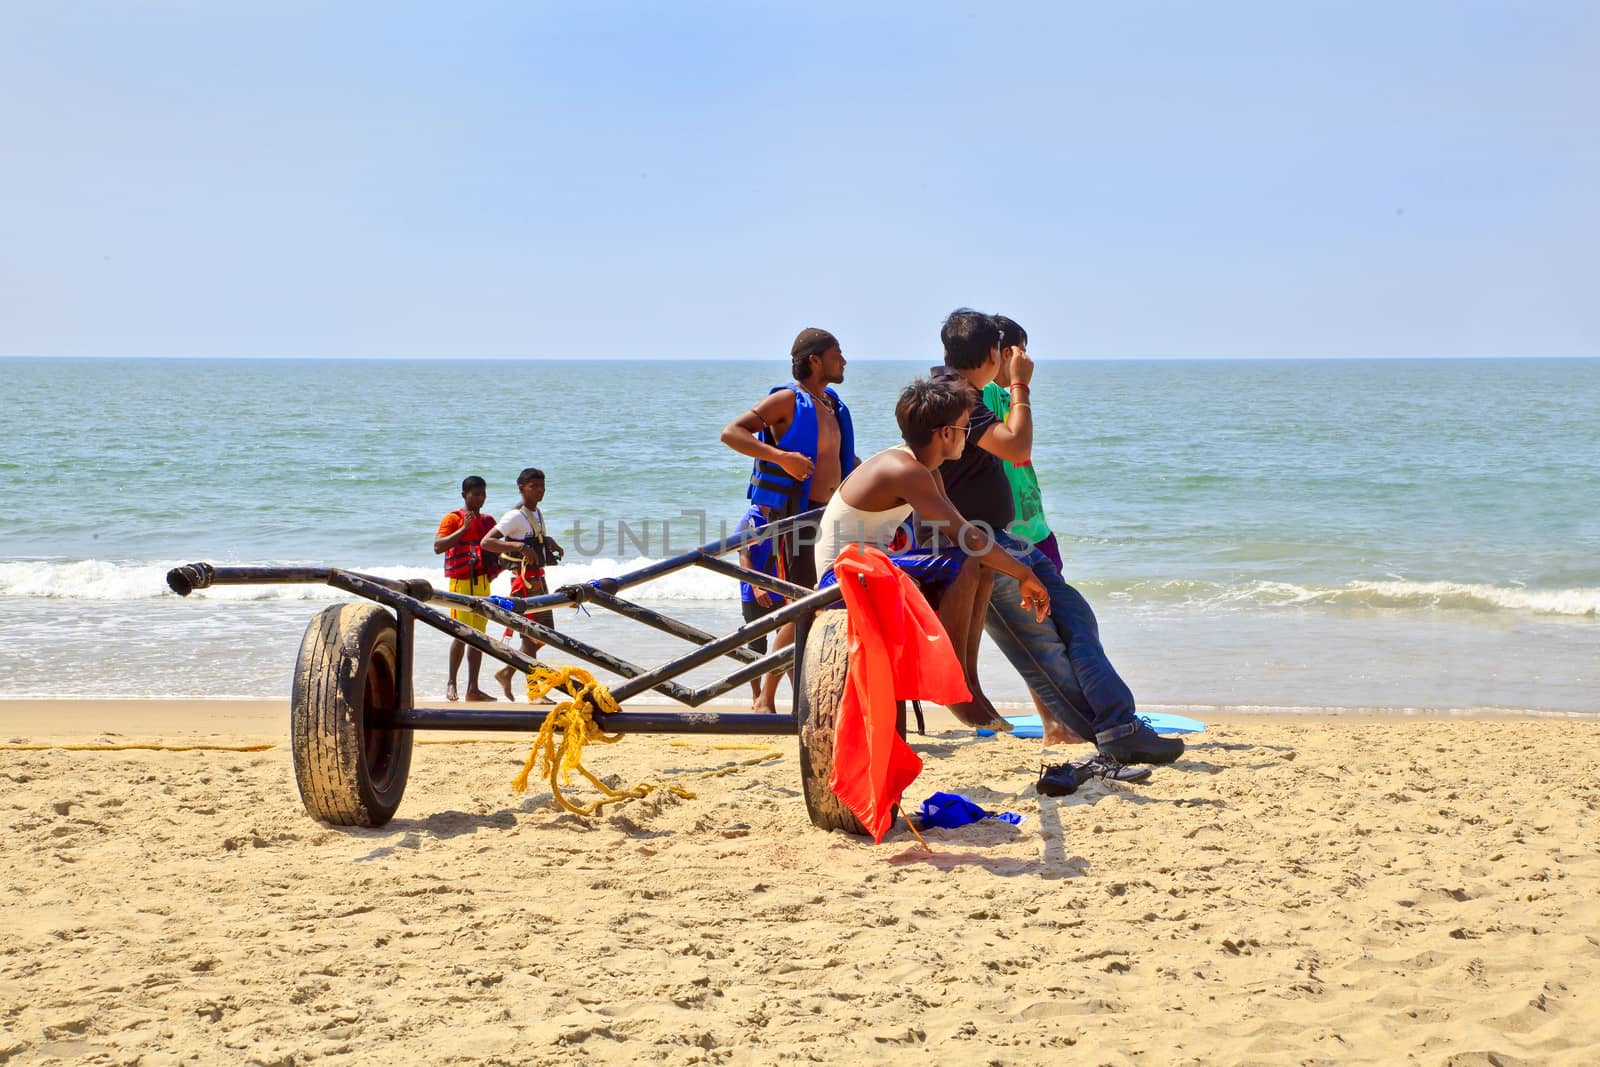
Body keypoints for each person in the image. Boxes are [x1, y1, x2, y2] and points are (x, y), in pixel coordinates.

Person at [932, 309, 1183, 764]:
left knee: (1074, 617)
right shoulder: (955, 397)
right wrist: (1020, 385)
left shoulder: (957, 391)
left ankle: (1118, 722)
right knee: (1045, 645)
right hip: (979, 544)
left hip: (1001, 539)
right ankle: (1114, 729)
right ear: (995, 353)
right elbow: (1016, 447)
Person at [812, 377, 1051, 729]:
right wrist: (1025, 573)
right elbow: (967, 537)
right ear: (944, 433)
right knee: (970, 558)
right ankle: (952, 686)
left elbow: (957, 529)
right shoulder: (905, 469)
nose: (969, 435)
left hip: (871, 566)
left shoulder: (924, 468)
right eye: (965, 427)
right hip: (843, 577)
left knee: (980, 565)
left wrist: (1014, 570)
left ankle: (968, 684)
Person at [720, 327, 860, 690]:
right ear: (815, 360)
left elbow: (845, 461)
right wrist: (781, 458)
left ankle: (809, 693)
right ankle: (766, 696)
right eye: (836, 354)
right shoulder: (787, 400)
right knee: (803, 604)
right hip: (797, 518)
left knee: (824, 603)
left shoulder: (831, 406)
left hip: (830, 516)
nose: (844, 360)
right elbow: (732, 432)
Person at [985, 314, 1077, 743]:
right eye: (1022, 350)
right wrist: (1019, 381)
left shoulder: (1005, 395)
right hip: (1012, 534)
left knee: (1055, 627)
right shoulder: (983, 394)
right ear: (1004, 352)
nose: (1028, 359)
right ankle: (1055, 726)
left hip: (1037, 526)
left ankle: (1062, 720)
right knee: (1035, 631)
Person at [481, 467, 565, 702]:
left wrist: (549, 542)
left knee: (544, 634)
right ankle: (534, 692)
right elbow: (487, 542)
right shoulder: (514, 516)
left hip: (538, 579)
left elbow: (533, 537)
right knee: (532, 636)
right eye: (534, 487)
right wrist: (518, 548)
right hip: (524, 581)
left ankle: (507, 672)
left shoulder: (536, 513)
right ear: (522, 488)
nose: (540, 491)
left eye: (543, 487)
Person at [433, 475, 501, 702]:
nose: (480, 498)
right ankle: (451, 683)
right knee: (460, 633)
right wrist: (464, 529)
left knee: (479, 637)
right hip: (460, 583)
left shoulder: (488, 521)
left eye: (483, 494)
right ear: (464, 495)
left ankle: (473, 688)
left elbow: (498, 546)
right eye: (475, 494)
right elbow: (438, 546)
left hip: (482, 583)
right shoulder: (453, 518)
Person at [735, 502, 788, 713]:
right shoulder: (749, 519)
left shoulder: (781, 514)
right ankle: (757, 695)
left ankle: (773, 695)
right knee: (757, 647)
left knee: (786, 646)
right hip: (753, 595)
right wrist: (756, 587)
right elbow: (743, 556)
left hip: (780, 591)